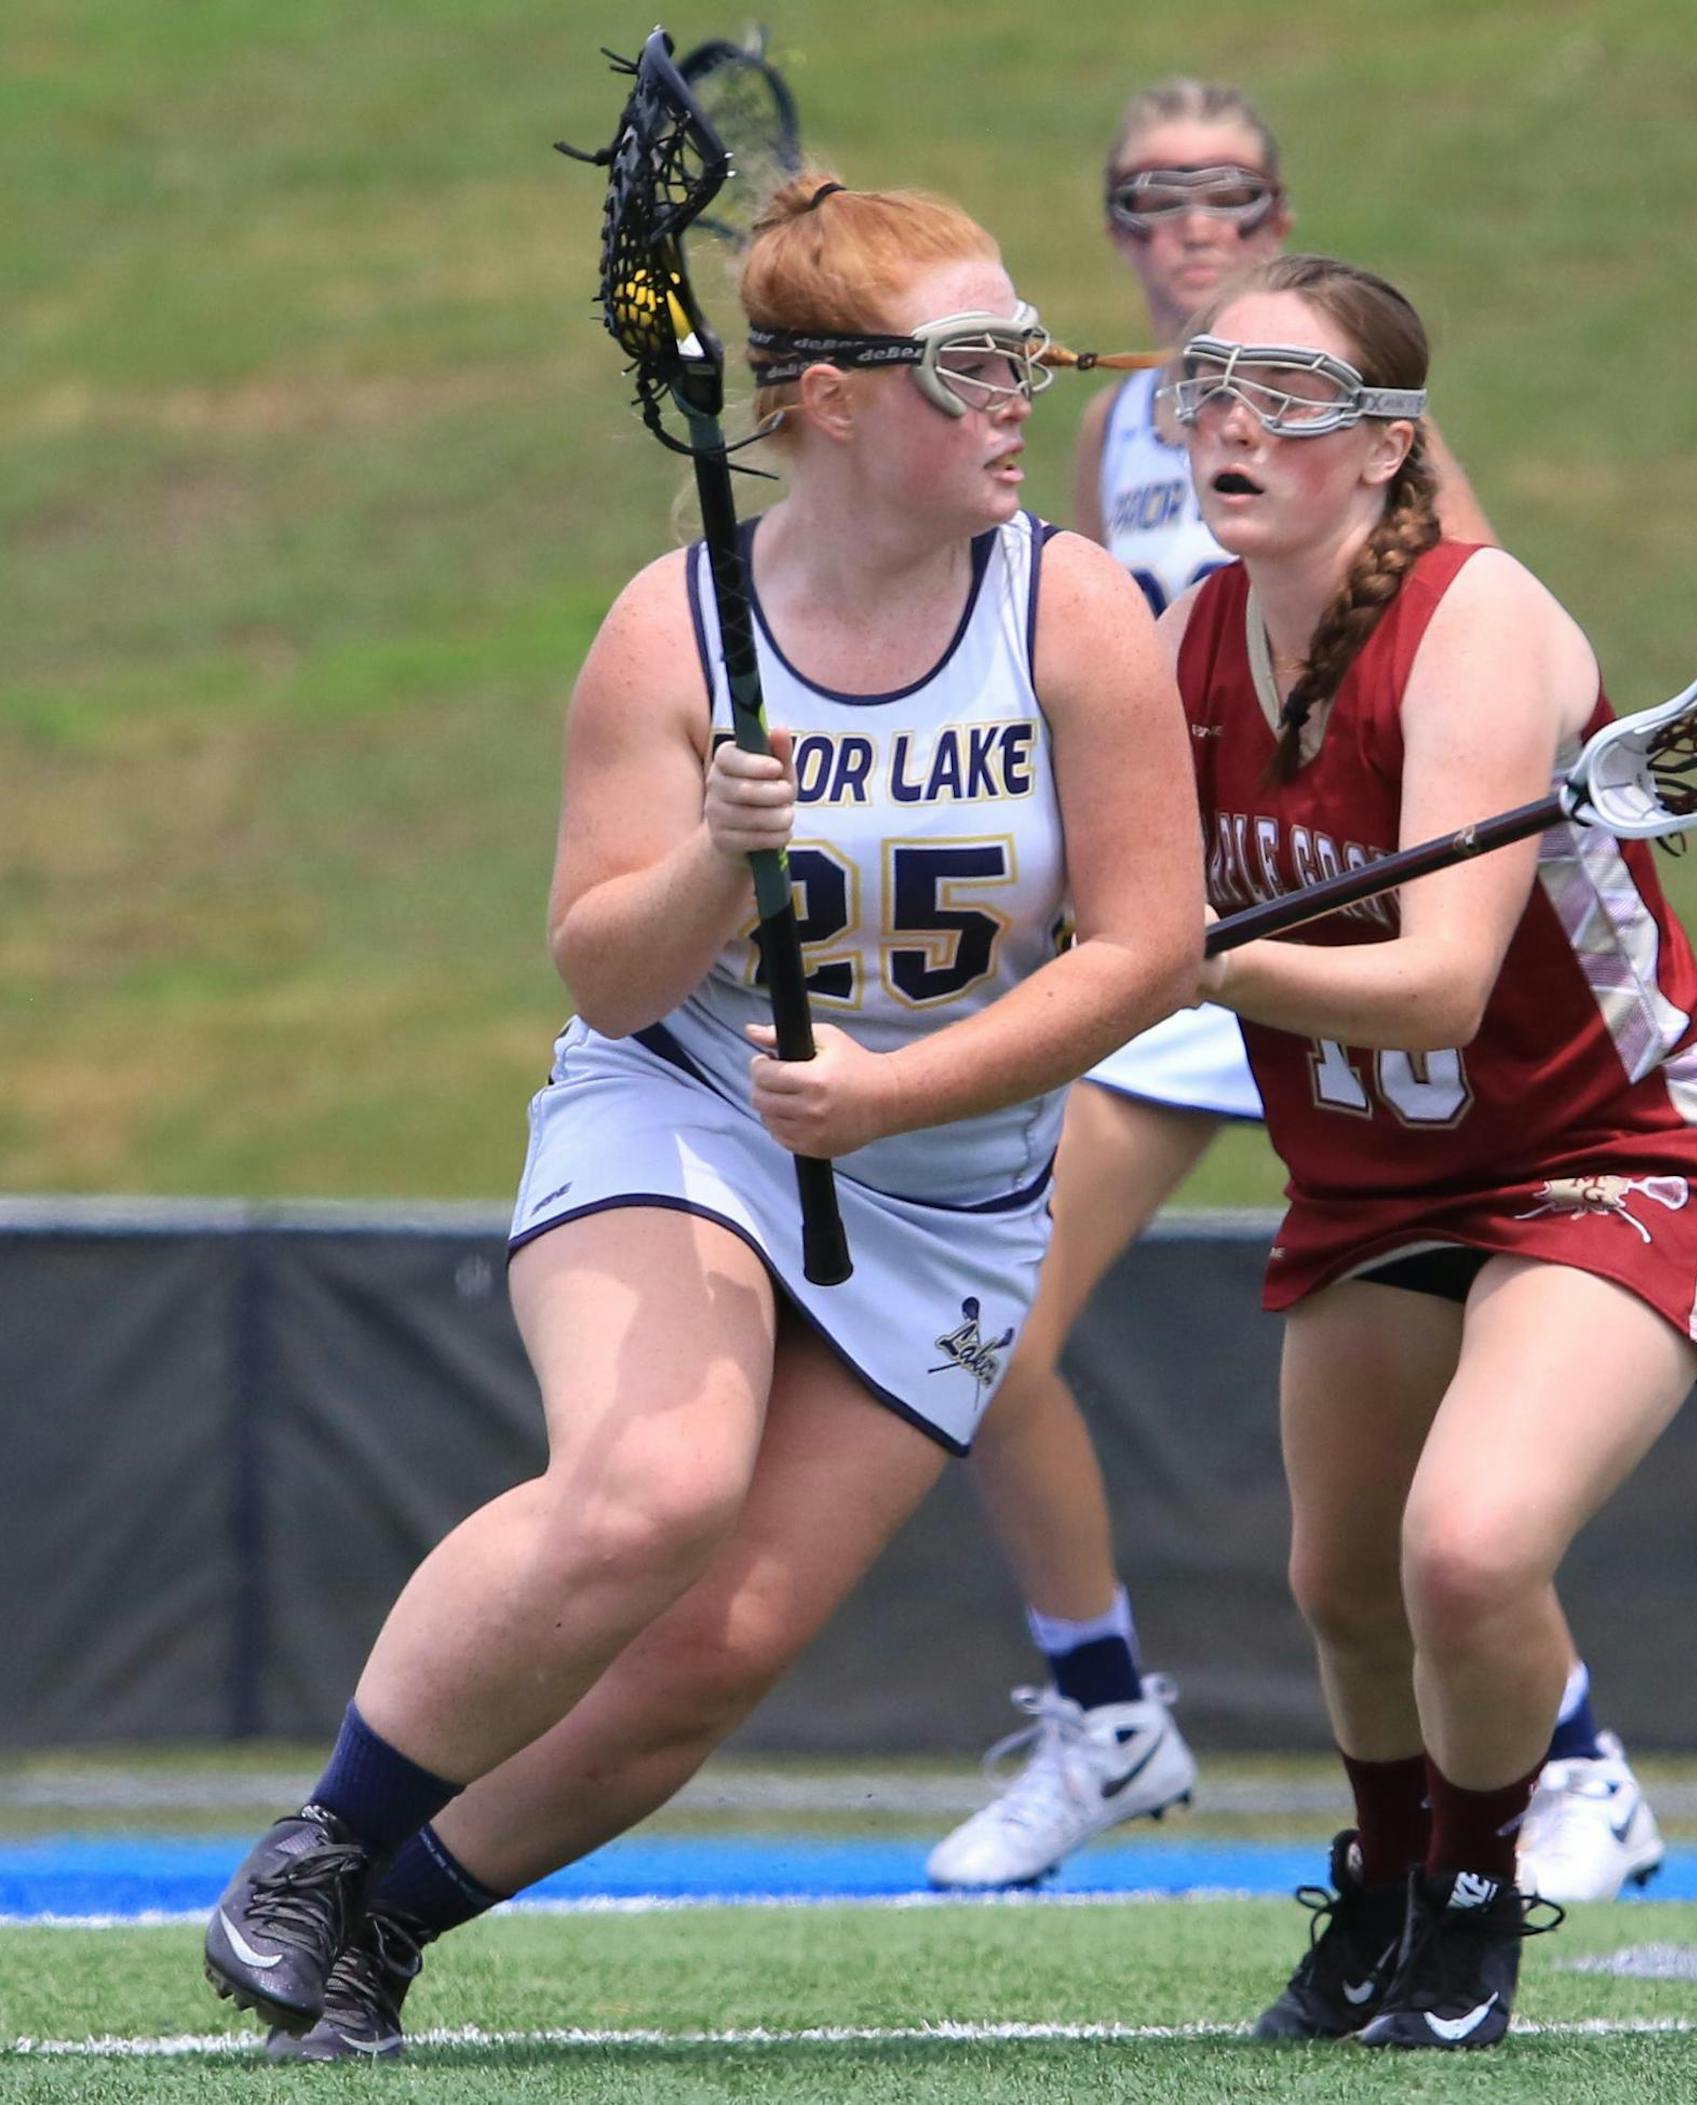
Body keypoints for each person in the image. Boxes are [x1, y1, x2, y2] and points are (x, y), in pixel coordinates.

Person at [200, 171, 1200, 2060]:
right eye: (974, 362)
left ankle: (384, 1936)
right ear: (829, 399)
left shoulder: (1074, 611)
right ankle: (322, 1844)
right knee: (653, 1488)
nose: (1025, 395)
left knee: (713, 1653)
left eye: (1026, 354)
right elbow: (601, 969)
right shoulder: (675, 631)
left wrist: (901, 1088)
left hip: (955, 1188)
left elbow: (1146, 953)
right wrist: (721, 867)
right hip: (696, 1110)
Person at [927, 78, 1662, 1907]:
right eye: (1148, 196)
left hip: (1360, 926)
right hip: (1217, 914)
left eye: (1226, 194)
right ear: (1112, 227)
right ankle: (1105, 1710)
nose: (1187, 225)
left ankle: (1574, 1766)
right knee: (994, 1329)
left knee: (1448, 1494)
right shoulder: (1108, 434)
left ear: (1275, 215)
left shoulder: (1369, 437)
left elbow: (1481, 635)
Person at [1165, 254, 1697, 2049]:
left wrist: (1184, 955)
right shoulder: (1189, 638)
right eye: (1211, 385)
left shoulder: (1480, 623)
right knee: (1339, 1586)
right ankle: (1382, 1891)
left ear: (1386, 447)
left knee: (1469, 1550)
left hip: (1607, 1148)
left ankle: (1480, 1904)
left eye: (1292, 398)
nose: (1236, 423)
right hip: (1372, 1181)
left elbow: (1432, 987)